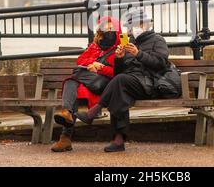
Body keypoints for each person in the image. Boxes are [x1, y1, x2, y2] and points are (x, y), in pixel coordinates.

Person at [76, 8, 169, 153]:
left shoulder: (157, 40)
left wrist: (139, 54)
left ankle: (93, 112)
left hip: (149, 82)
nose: (133, 29)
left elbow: (160, 63)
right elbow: (119, 71)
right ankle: (118, 140)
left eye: (137, 25)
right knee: (119, 91)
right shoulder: (129, 41)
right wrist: (119, 57)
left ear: (145, 25)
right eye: (131, 26)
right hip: (129, 81)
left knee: (120, 82)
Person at [51, 16, 122, 152]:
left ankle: (66, 134)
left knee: (75, 75)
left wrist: (100, 67)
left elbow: (118, 73)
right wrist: (92, 64)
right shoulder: (95, 46)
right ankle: (65, 124)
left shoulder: (120, 50)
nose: (108, 31)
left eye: (111, 28)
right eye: (105, 28)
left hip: (105, 85)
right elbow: (81, 59)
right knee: (71, 83)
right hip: (87, 81)